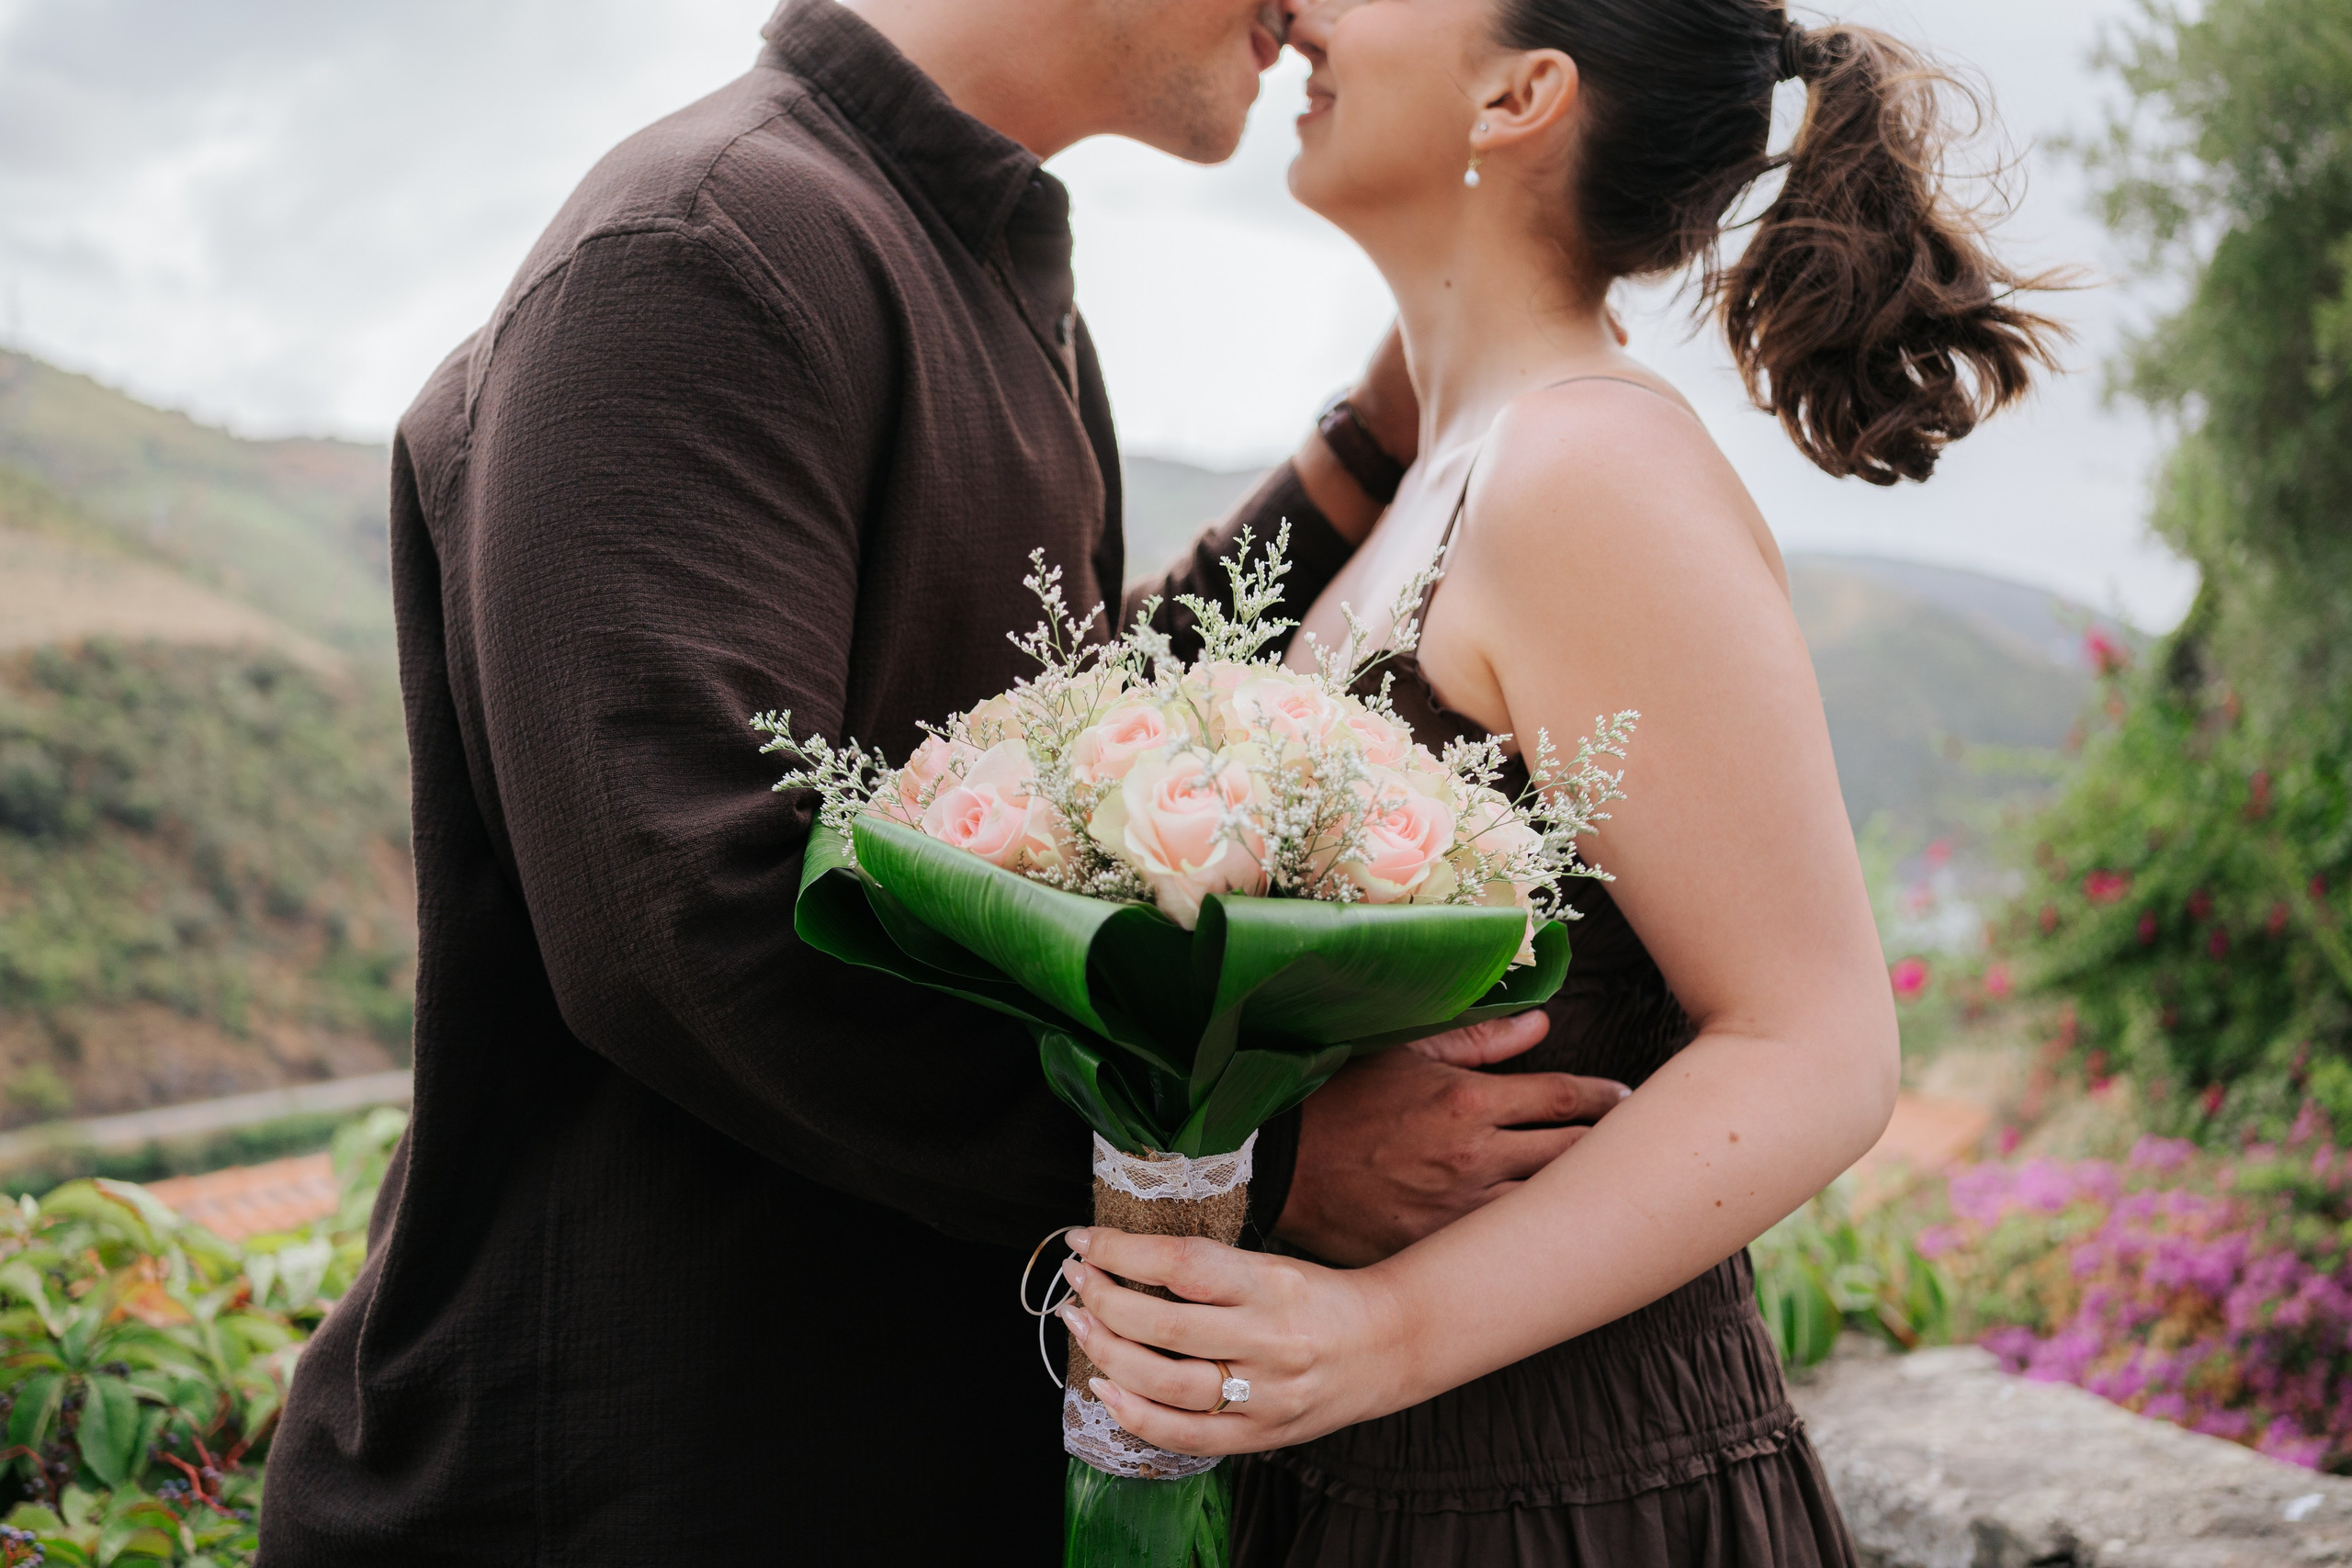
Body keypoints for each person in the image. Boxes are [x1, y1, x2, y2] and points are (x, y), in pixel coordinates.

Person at [256, 1, 1634, 1562]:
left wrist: (1376, 444)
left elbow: (1071, 754)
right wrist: (1243, 1170)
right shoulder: (703, 246)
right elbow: (685, 923)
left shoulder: (983, 282)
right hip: (621, 1488)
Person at [1051, 0, 2067, 1562]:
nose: (1303, 12)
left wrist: (1376, 1332)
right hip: (1352, 1476)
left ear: (1523, 93)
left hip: (1561, 1496)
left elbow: (1819, 1048)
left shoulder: (1587, 473)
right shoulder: (1427, 481)